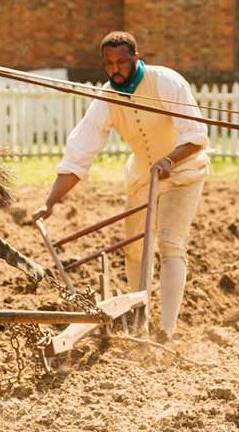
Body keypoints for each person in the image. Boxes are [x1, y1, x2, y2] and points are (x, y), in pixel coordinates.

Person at [33, 31, 210, 341]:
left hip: (184, 172)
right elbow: (80, 152)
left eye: (121, 62)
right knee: (134, 249)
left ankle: (167, 330)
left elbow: (195, 135)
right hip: (143, 176)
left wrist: (170, 160)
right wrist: (50, 202)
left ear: (136, 59)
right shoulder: (107, 98)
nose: (115, 69)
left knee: (170, 242)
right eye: (109, 63)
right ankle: (139, 322)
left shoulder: (166, 81)